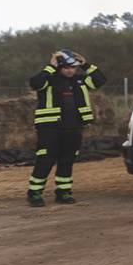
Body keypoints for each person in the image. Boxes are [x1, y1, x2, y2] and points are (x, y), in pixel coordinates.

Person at [28, 49, 104, 207]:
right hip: (50, 128)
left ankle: (63, 192)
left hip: (74, 128)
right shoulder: (48, 80)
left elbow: (100, 79)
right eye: (66, 67)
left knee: (67, 161)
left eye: (73, 67)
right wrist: (50, 68)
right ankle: (34, 193)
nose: (70, 71)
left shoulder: (80, 81)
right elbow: (35, 83)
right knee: (45, 160)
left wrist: (86, 65)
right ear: (59, 67)